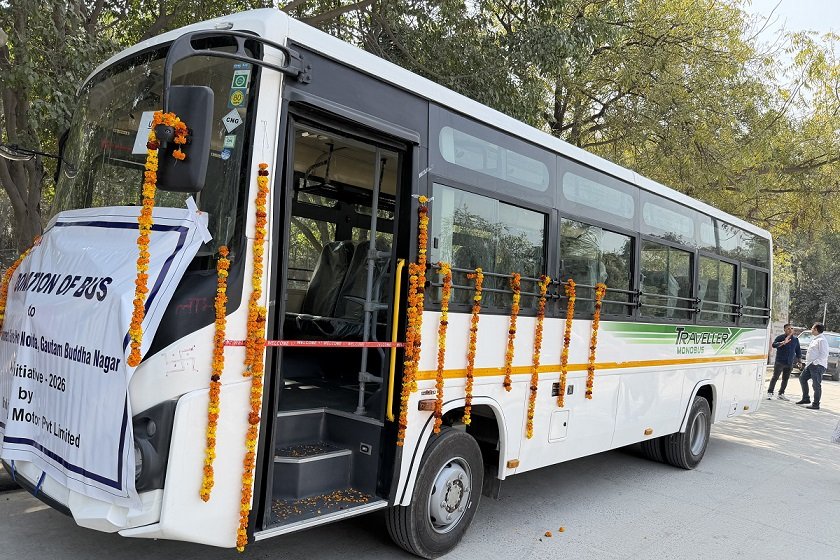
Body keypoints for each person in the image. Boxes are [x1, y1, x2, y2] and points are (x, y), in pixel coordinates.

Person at [797, 323, 827, 410]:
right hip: (810, 365)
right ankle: (806, 398)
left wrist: (815, 363)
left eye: (812, 328)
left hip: (817, 366)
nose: (811, 329)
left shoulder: (821, 340)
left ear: (816, 329)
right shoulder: (816, 339)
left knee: (816, 385)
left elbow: (824, 354)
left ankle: (816, 404)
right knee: (802, 378)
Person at [767, 323, 801, 400]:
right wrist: (782, 343)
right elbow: (774, 345)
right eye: (788, 328)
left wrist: (799, 360)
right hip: (780, 362)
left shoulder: (795, 339)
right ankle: (770, 392)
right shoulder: (780, 337)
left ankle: (781, 393)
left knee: (785, 379)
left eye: (791, 328)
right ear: (784, 329)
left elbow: (798, 350)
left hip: (789, 362)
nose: (790, 330)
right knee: (775, 377)